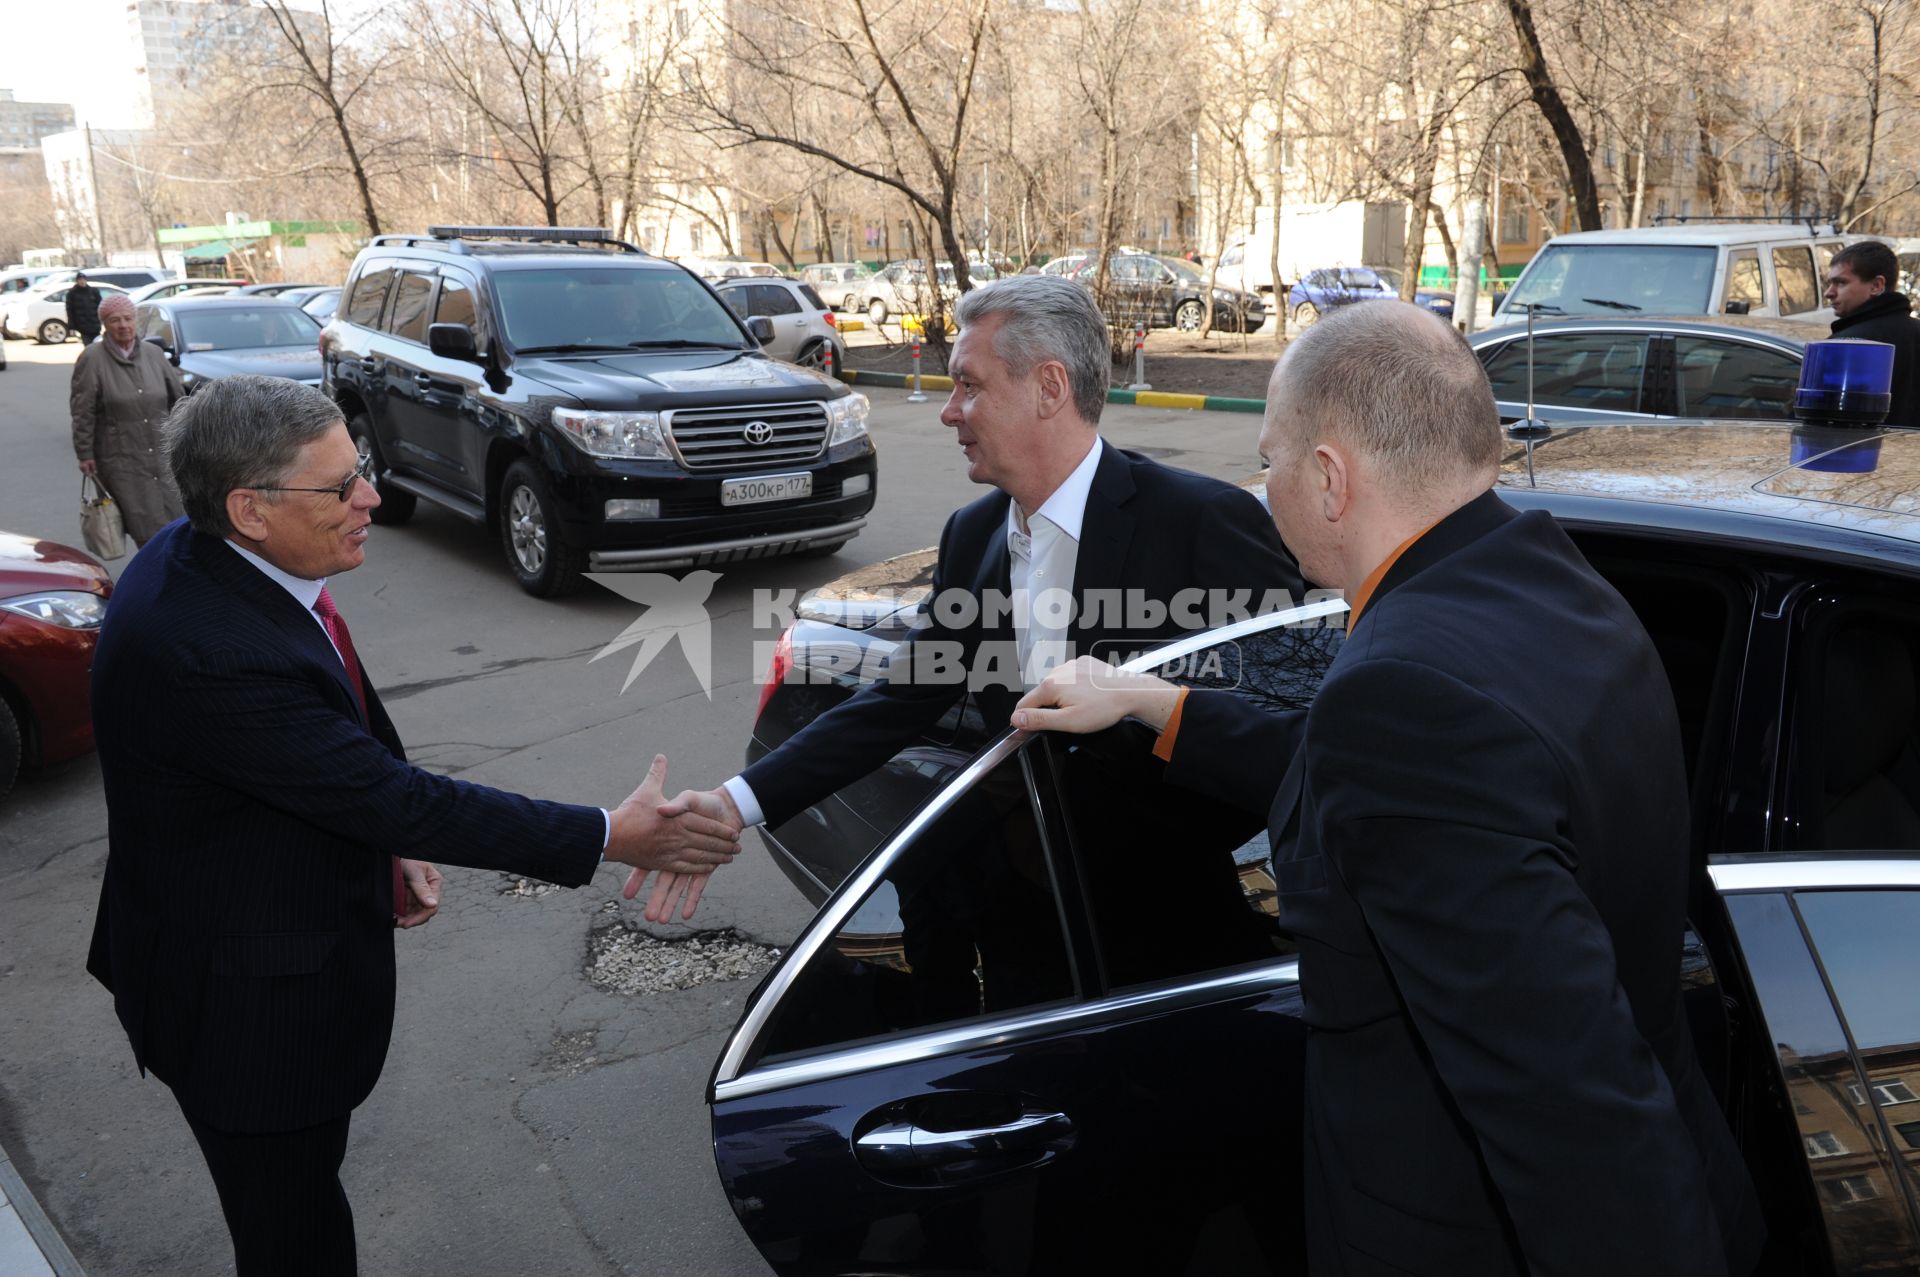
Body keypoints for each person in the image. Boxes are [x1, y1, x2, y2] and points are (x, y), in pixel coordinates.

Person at [1012, 301, 1765, 1276]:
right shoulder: (1555, 587)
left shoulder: (1405, 693)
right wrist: (1153, 701)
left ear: (1329, 478)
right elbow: (1415, 801)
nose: (1262, 484)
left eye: (1271, 456)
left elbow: (1570, 1108)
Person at [85, 375, 742, 1277]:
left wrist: (384, 838)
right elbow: (379, 784)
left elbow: (320, 743)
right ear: (249, 507)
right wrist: (610, 834)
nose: (373, 498)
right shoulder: (203, 648)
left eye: (361, 469)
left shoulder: (215, 556)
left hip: (251, 943)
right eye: (341, 486)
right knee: (295, 1237)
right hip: (244, 1018)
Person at [638, 273, 1306, 919]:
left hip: (1177, 922)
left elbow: (1292, 723)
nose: (949, 410)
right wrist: (734, 802)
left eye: (969, 385)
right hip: (1021, 904)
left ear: (1049, 387)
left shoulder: (1201, 522)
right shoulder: (972, 535)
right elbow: (900, 700)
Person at [71, 292, 187, 545]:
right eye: (114, 320)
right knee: (144, 525)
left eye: (127, 318)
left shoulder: (154, 354)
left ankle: (178, 575)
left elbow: (177, 400)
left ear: (135, 320)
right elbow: (82, 411)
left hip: (163, 452)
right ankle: (154, 578)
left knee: (179, 518)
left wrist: (187, 439)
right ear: (104, 324)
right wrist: (85, 454)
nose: (123, 325)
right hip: (121, 458)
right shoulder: (92, 358)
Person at [1825, 239, 1920, 426]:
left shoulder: (1845, 346)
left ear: (1876, 285)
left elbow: (1827, 423)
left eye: (1840, 283)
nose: (1829, 292)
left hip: (1861, 453)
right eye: (1830, 283)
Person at [65, 271, 102, 345]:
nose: (82, 281)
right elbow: (69, 310)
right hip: (82, 326)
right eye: (80, 280)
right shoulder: (72, 293)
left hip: (95, 325)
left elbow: (100, 306)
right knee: (88, 346)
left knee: (97, 345)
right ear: (77, 281)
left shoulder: (93, 291)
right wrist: (71, 326)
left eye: (83, 279)